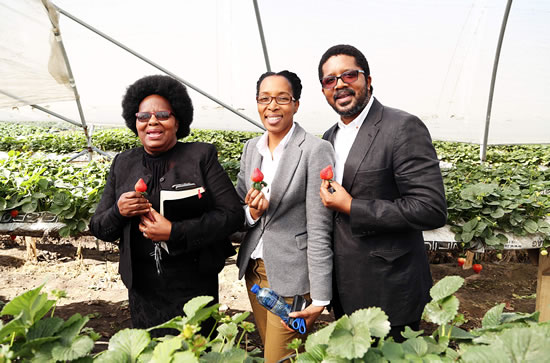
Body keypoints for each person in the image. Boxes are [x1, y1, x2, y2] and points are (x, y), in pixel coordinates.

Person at [89, 75, 243, 336]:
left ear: (177, 120)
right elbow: (99, 227)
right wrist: (119, 211)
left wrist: (175, 232)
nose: (152, 122)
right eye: (143, 117)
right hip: (144, 290)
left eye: (163, 115)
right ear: (134, 121)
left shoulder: (200, 157)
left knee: (195, 351)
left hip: (194, 287)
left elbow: (232, 216)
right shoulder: (123, 163)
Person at [317, 44, 447, 342]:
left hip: (390, 289)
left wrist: (353, 206)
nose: (339, 84)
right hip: (344, 285)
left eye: (349, 75)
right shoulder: (329, 137)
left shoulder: (401, 127)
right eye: (329, 80)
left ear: (368, 80)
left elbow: (430, 208)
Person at [235, 70, 334, 362]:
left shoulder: (315, 150)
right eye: (265, 98)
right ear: (257, 103)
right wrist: (251, 213)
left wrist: (320, 298)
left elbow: (319, 227)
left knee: (279, 357)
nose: (272, 106)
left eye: (282, 98)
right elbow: (241, 208)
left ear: (296, 104)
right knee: (280, 353)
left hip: (292, 278)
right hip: (255, 271)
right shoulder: (252, 148)